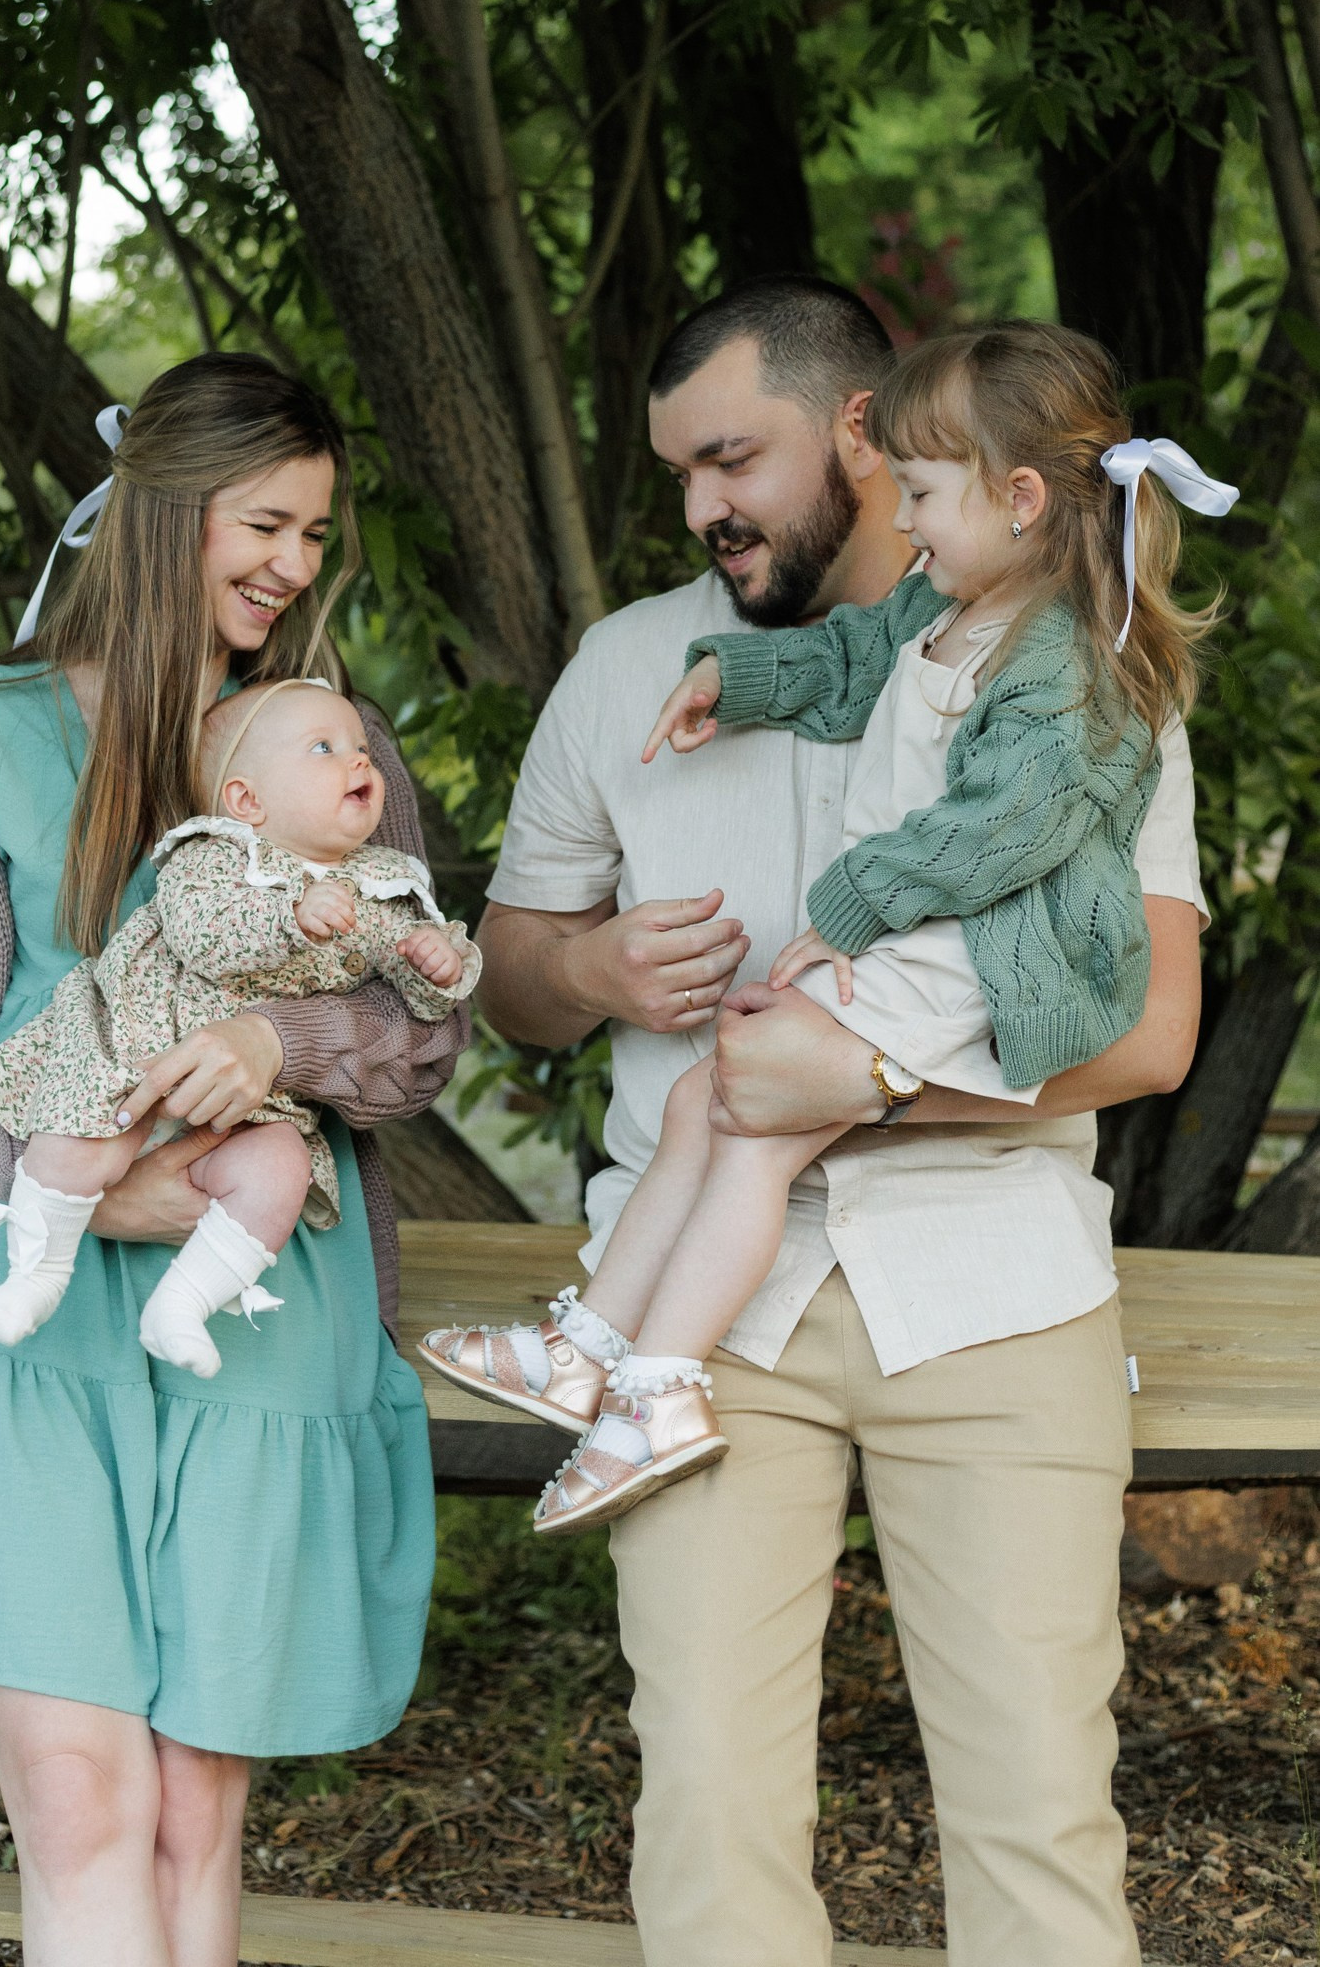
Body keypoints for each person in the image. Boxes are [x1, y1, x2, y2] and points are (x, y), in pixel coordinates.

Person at [472, 281, 1208, 1967]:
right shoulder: (630, 667)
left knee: (1034, 1816)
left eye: (730, 457)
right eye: (675, 475)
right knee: (710, 1822)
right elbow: (510, 982)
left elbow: (1152, 1032)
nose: (699, 507)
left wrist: (872, 1082)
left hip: (992, 1289)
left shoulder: (1084, 673)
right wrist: (587, 962)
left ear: (870, 438)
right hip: (701, 1327)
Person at [0, 354, 467, 1967]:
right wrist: (88, 1186)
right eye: (267, 522)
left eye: (317, 532)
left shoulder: (325, 743)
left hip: (245, 1316)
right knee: (84, 1799)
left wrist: (279, 1049)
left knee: (192, 1813)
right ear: (168, 509)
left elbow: (426, 1018)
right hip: (15, 1317)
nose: (296, 567)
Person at [431, 323, 1231, 1546]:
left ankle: (652, 1385)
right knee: (714, 1103)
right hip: (882, 1042)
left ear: (1015, 498)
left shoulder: (1075, 665)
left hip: (976, 1004)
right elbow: (854, 657)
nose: (906, 522)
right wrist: (734, 682)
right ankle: (587, 1345)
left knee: (749, 1121)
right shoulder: (944, 604)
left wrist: (846, 934)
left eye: (731, 457)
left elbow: (996, 830)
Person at [0, 677, 476, 1365]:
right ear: (246, 800)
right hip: (142, 1057)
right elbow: (203, 936)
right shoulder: (216, 856)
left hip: (253, 1105)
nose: (360, 761)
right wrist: (288, 919)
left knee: (279, 1170)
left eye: (361, 747)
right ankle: (37, 1274)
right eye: (324, 748)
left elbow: (415, 1005)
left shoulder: (382, 884)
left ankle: (183, 1306)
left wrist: (437, 962)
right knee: (88, 1136)